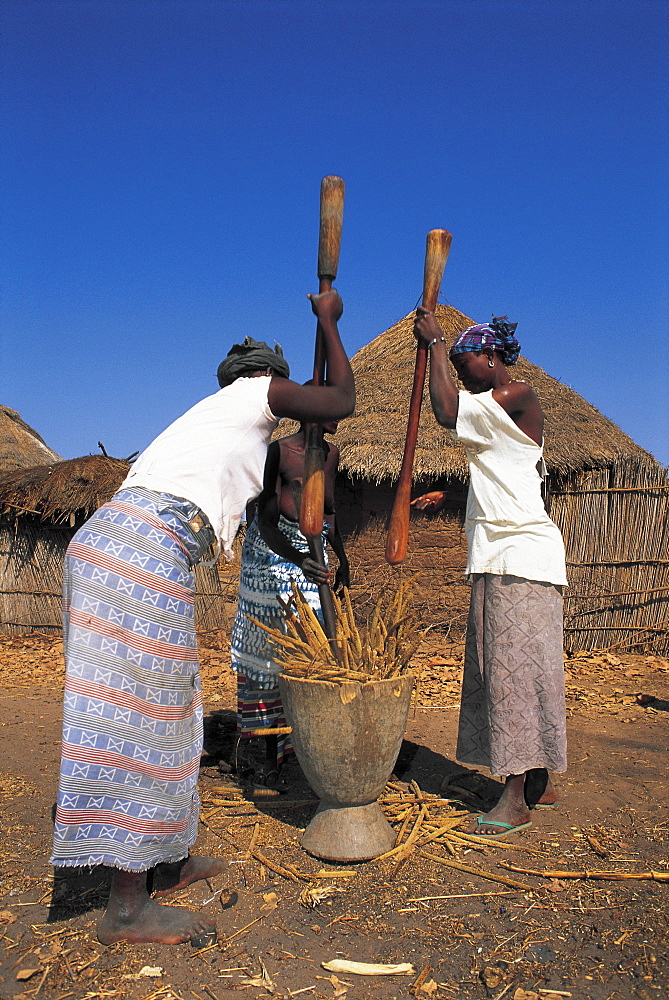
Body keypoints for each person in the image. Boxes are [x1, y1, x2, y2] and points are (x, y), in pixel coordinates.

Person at [50, 289, 354, 945]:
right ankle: (126, 909)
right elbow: (338, 401)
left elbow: (316, 431)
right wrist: (329, 322)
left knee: (177, 706)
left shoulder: (222, 420)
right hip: (137, 555)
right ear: (268, 378)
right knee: (144, 714)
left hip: (128, 550)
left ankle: (167, 862)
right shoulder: (254, 396)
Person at [411, 311, 567, 838]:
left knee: (512, 675)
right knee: (516, 669)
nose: (462, 370)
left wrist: (433, 345)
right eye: (454, 362)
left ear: (494, 357)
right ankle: (537, 778)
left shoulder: (517, 394)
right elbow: (507, 481)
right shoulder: (501, 414)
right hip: (504, 555)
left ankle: (516, 798)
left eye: (465, 361)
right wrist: (454, 496)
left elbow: (445, 410)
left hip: (518, 558)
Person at [230, 417, 349, 790]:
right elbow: (263, 520)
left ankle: (305, 746)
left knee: (314, 648)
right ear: (308, 409)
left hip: (312, 556)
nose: (339, 412)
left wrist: (340, 559)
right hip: (270, 557)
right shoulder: (278, 453)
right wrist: (298, 561)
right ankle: (267, 757)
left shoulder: (332, 454)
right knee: (271, 652)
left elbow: (328, 511)